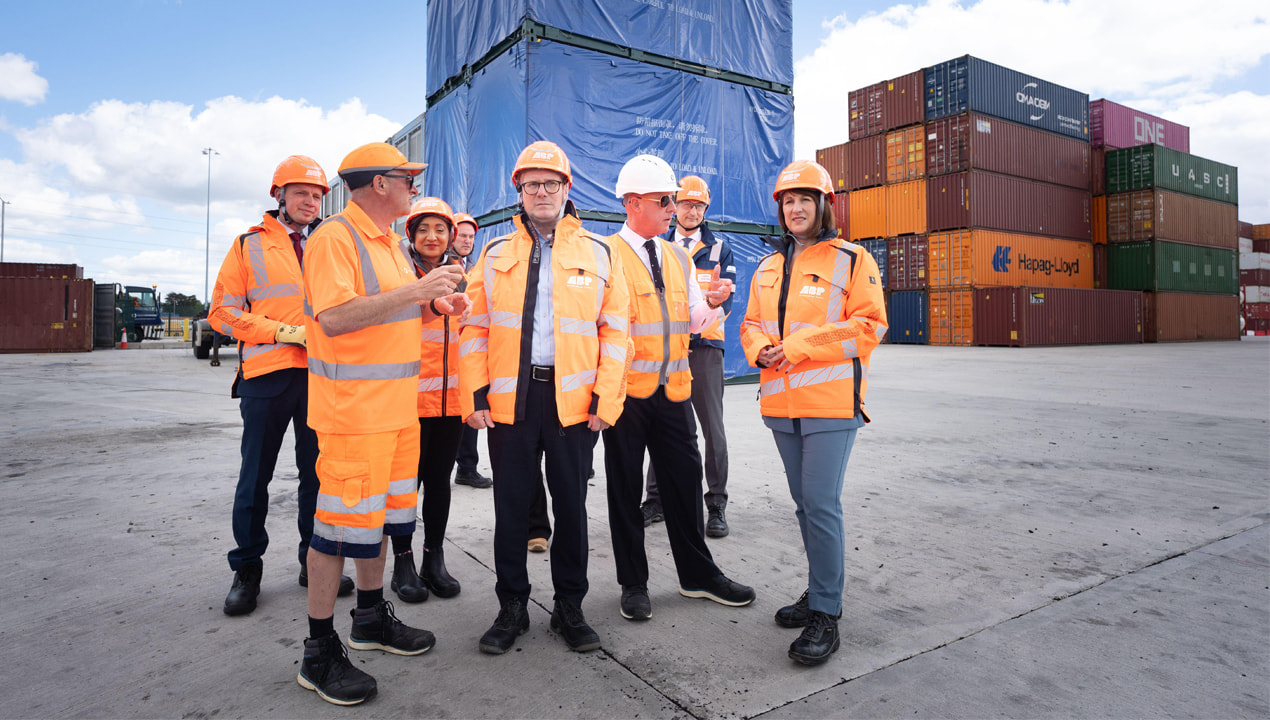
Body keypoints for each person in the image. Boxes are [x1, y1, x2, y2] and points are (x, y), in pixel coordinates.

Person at [296, 142, 468, 706]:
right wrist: (419, 288)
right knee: (338, 530)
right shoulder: (333, 239)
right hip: (355, 417)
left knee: (377, 525)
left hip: (396, 415)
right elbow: (336, 316)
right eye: (406, 178)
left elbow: (391, 307)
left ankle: (370, 619)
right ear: (377, 185)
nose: (414, 185)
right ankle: (319, 650)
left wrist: (433, 306)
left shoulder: (389, 243)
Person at [459, 140, 630, 655]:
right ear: (519, 191)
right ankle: (512, 605)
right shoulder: (493, 255)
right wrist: (475, 393)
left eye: (550, 183)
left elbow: (617, 331)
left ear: (566, 189)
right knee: (511, 508)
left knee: (572, 509)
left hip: (573, 403)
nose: (541, 192)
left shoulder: (599, 253)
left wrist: (607, 399)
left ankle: (569, 608)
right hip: (512, 400)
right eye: (531, 184)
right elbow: (474, 328)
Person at [739, 159, 887, 666]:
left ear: (823, 205)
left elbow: (869, 326)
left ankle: (827, 611)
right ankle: (819, 589)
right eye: (787, 200)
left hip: (830, 405)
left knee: (821, 503)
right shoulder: (768, 266)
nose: (795, 208)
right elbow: (751, 323)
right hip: (781, 405)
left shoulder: (853, 260)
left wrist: (799, 345)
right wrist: (758, 348)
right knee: (804, 504)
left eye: (804, 199)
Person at [602, 154, 754, 623]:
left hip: (674, 392)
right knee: (625, 491)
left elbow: (691, 318)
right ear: (632, 203)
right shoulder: (606, 255)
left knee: (685, 485)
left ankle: (697, 574)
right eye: (664, 200)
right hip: (626, 396)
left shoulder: (676, 255)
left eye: (674, 200)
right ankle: (634, 583)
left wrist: (714, 304)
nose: (674, 207)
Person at [210, 155, 354, 616]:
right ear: (279, 196)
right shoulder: (248, 245)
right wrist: (282, 331)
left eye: (317, 195)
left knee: (318, 475)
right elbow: (222, 313)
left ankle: (313, 560)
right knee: (255, 478)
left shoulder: (333, 242)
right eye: (301, 194)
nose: (311, 201)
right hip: (267, 377)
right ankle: (247, 569)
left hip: (321, 377)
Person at [641, 175, 737, 538]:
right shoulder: (659, 244)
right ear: (674, 206)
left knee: (713, 427)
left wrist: (698, 323)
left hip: (706, 348)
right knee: (660, 422)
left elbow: (723, 299)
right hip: (669, 346)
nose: (692, 210)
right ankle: (655, 500)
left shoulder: (719, 248)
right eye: (685, 204)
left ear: (705, 209)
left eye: (699, 205)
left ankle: (716, 503)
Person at [387, 197, 469, 604]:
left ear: (451, 236)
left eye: (440, 229)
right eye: (423, 230)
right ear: (412, 236)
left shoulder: (463, 277)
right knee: (405, 485)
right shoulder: (401, 275)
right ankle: (402, 562)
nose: (432, 237)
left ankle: (433, 557)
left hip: (450, 401)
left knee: (439, 481)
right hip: (407, 400)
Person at [451, 212, 493, 490]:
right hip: (446, 355)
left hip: (465, 353)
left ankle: (467, 466)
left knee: (468, 410)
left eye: (471, 237)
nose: (467, 240)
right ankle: (464, 465)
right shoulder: (444, 267)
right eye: (462, 235)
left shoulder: (470, 268)